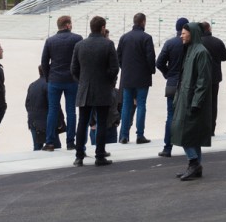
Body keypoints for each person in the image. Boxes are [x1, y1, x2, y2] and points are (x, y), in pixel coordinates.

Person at [70, 15, 118, 166]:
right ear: (103, 28)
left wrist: (82, 81)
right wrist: (108, 82)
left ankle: (79, 156)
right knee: (102, 122)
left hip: (85, 88)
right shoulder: (108, 44)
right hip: (102, 88)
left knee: (82, 122)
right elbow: (114, 69)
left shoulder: (80, 45)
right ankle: (99, 155)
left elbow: (74, 69)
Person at [172, 20, 215, 181]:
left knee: (185, 132)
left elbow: (203, 81)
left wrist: (196, 102)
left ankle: (194, 162)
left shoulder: (201, 52)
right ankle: (196, 166)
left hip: (193, 101)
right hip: (185, 98)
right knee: (192, 135)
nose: (181, 35)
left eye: (184, 33)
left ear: (193, 34)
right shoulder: (190, 50)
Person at [40, 15, 82, 151]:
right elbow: (80, 60)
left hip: (55, 79)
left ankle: (50, 142)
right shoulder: (77, 39)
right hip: (71, 80)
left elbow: (44, 62)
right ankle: (70, 142)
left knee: (52, 111)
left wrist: (48, 77)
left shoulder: (50, 41)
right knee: (71, 111)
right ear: (68, 25)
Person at [116, 12, 156, 144]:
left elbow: (118, 57)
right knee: (141, 105)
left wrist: (125, 69)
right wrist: (151, 70)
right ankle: (140, 135)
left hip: (127, 77)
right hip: (142, 77)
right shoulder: (146, 38)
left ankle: (124, 135)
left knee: (126, 106)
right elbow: (150, 57)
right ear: (143, 22)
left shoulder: (124, 37)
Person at [155, 17, 189, 157]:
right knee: (188, 116)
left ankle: (167, 147)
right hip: (186, 84)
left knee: (171, 116)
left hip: (172, 83)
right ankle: (189, 148)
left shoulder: (170, 43)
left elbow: (159, 63)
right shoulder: (190, 44)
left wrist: (168, 74)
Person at [199, 21, 226, 132]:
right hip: (214, 76)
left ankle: (202, 128)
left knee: (200, 102)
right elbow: (225, 57)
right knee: (213, 102)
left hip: (200, 78)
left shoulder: (197, 42)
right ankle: (211, 128)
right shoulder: (218, 41)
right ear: (209, 29)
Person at [25, 65, 51, 151]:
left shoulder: (32, 85)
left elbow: (27, 104)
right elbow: (53, 105)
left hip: (33, 121)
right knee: (55, 146)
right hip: (45, 121)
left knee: (37, 148)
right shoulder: (48, 84)